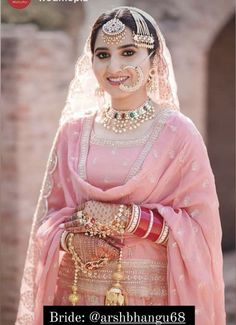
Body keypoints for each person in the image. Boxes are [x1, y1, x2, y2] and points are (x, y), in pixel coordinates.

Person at [15, 6, 226, 325]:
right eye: (103, 54)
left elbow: (200, 228)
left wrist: (130, 218)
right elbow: (48, 220)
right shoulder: (73, 132)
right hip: (77, 298)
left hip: (152, 304)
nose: (114, 66)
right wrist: (72, 239)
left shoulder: (178, 133)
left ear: (153, 60)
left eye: (129, 52)